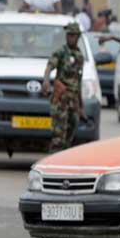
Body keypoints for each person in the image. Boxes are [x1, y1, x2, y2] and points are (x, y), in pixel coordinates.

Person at [42, 23, 85, 152]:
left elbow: (79, 81)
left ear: (78, 37)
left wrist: (81, 106)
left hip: (73, 101)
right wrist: (46, 81)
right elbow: (50, 66)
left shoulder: (79, 56)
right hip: (61, 100)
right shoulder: (61, 52)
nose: (70, 38)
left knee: (71, 133)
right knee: (58, 136)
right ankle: (53, 161)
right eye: (68, 35)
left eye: (73, 35)